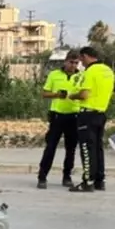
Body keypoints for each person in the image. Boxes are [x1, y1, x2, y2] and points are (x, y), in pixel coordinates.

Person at [68, 46, 114, 192]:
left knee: (87, 149)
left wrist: (72, 95)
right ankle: (100, 180)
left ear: (86, 56)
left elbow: (84, 95)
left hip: (87, 113)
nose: (80, 62)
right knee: (98, 148)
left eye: (81, 59)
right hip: (101, 112)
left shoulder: (90, 71)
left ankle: (88, 181)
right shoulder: (108, 70)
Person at [36, 51, 80, 189]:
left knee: (71, 148)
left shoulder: (81, 76)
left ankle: (67, 176)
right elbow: (44, 93)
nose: (73, 65)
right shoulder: (54, 75)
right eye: (71, 62)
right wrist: (57, 94)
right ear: (65, 61)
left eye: (76, 63)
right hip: (57, 115)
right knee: (51, 147)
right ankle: (42, 176)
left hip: (74, 115)